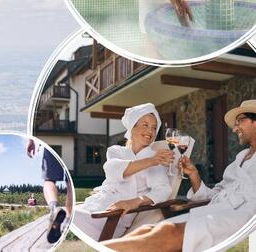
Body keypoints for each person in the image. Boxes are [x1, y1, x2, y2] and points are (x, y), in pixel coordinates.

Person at [102, 100, 256, 252]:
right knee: (148, 229)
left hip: (242, 217)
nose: (235, 128)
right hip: (217, 210)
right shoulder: (239, 160)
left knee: (169, 231)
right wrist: (194, 175)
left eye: (240, 121)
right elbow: (214, 195)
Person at [73, 103, 174, 241]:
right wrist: (152, 160)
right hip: (95, 206)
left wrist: (135, 201)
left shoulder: (156, 159)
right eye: (145, 125)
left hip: (114, 218)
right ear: (132, 127)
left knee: (62, 217)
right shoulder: (116, 151)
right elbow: (114, 171)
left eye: (154, 127)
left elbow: (163, 190)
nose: (151, 131)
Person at [26, 138, 72, 243]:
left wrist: (31, 140)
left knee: (49, 180)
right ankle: (68, 221)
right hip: (74, 138)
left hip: (50, 137)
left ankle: (54, 208)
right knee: (70, 184)